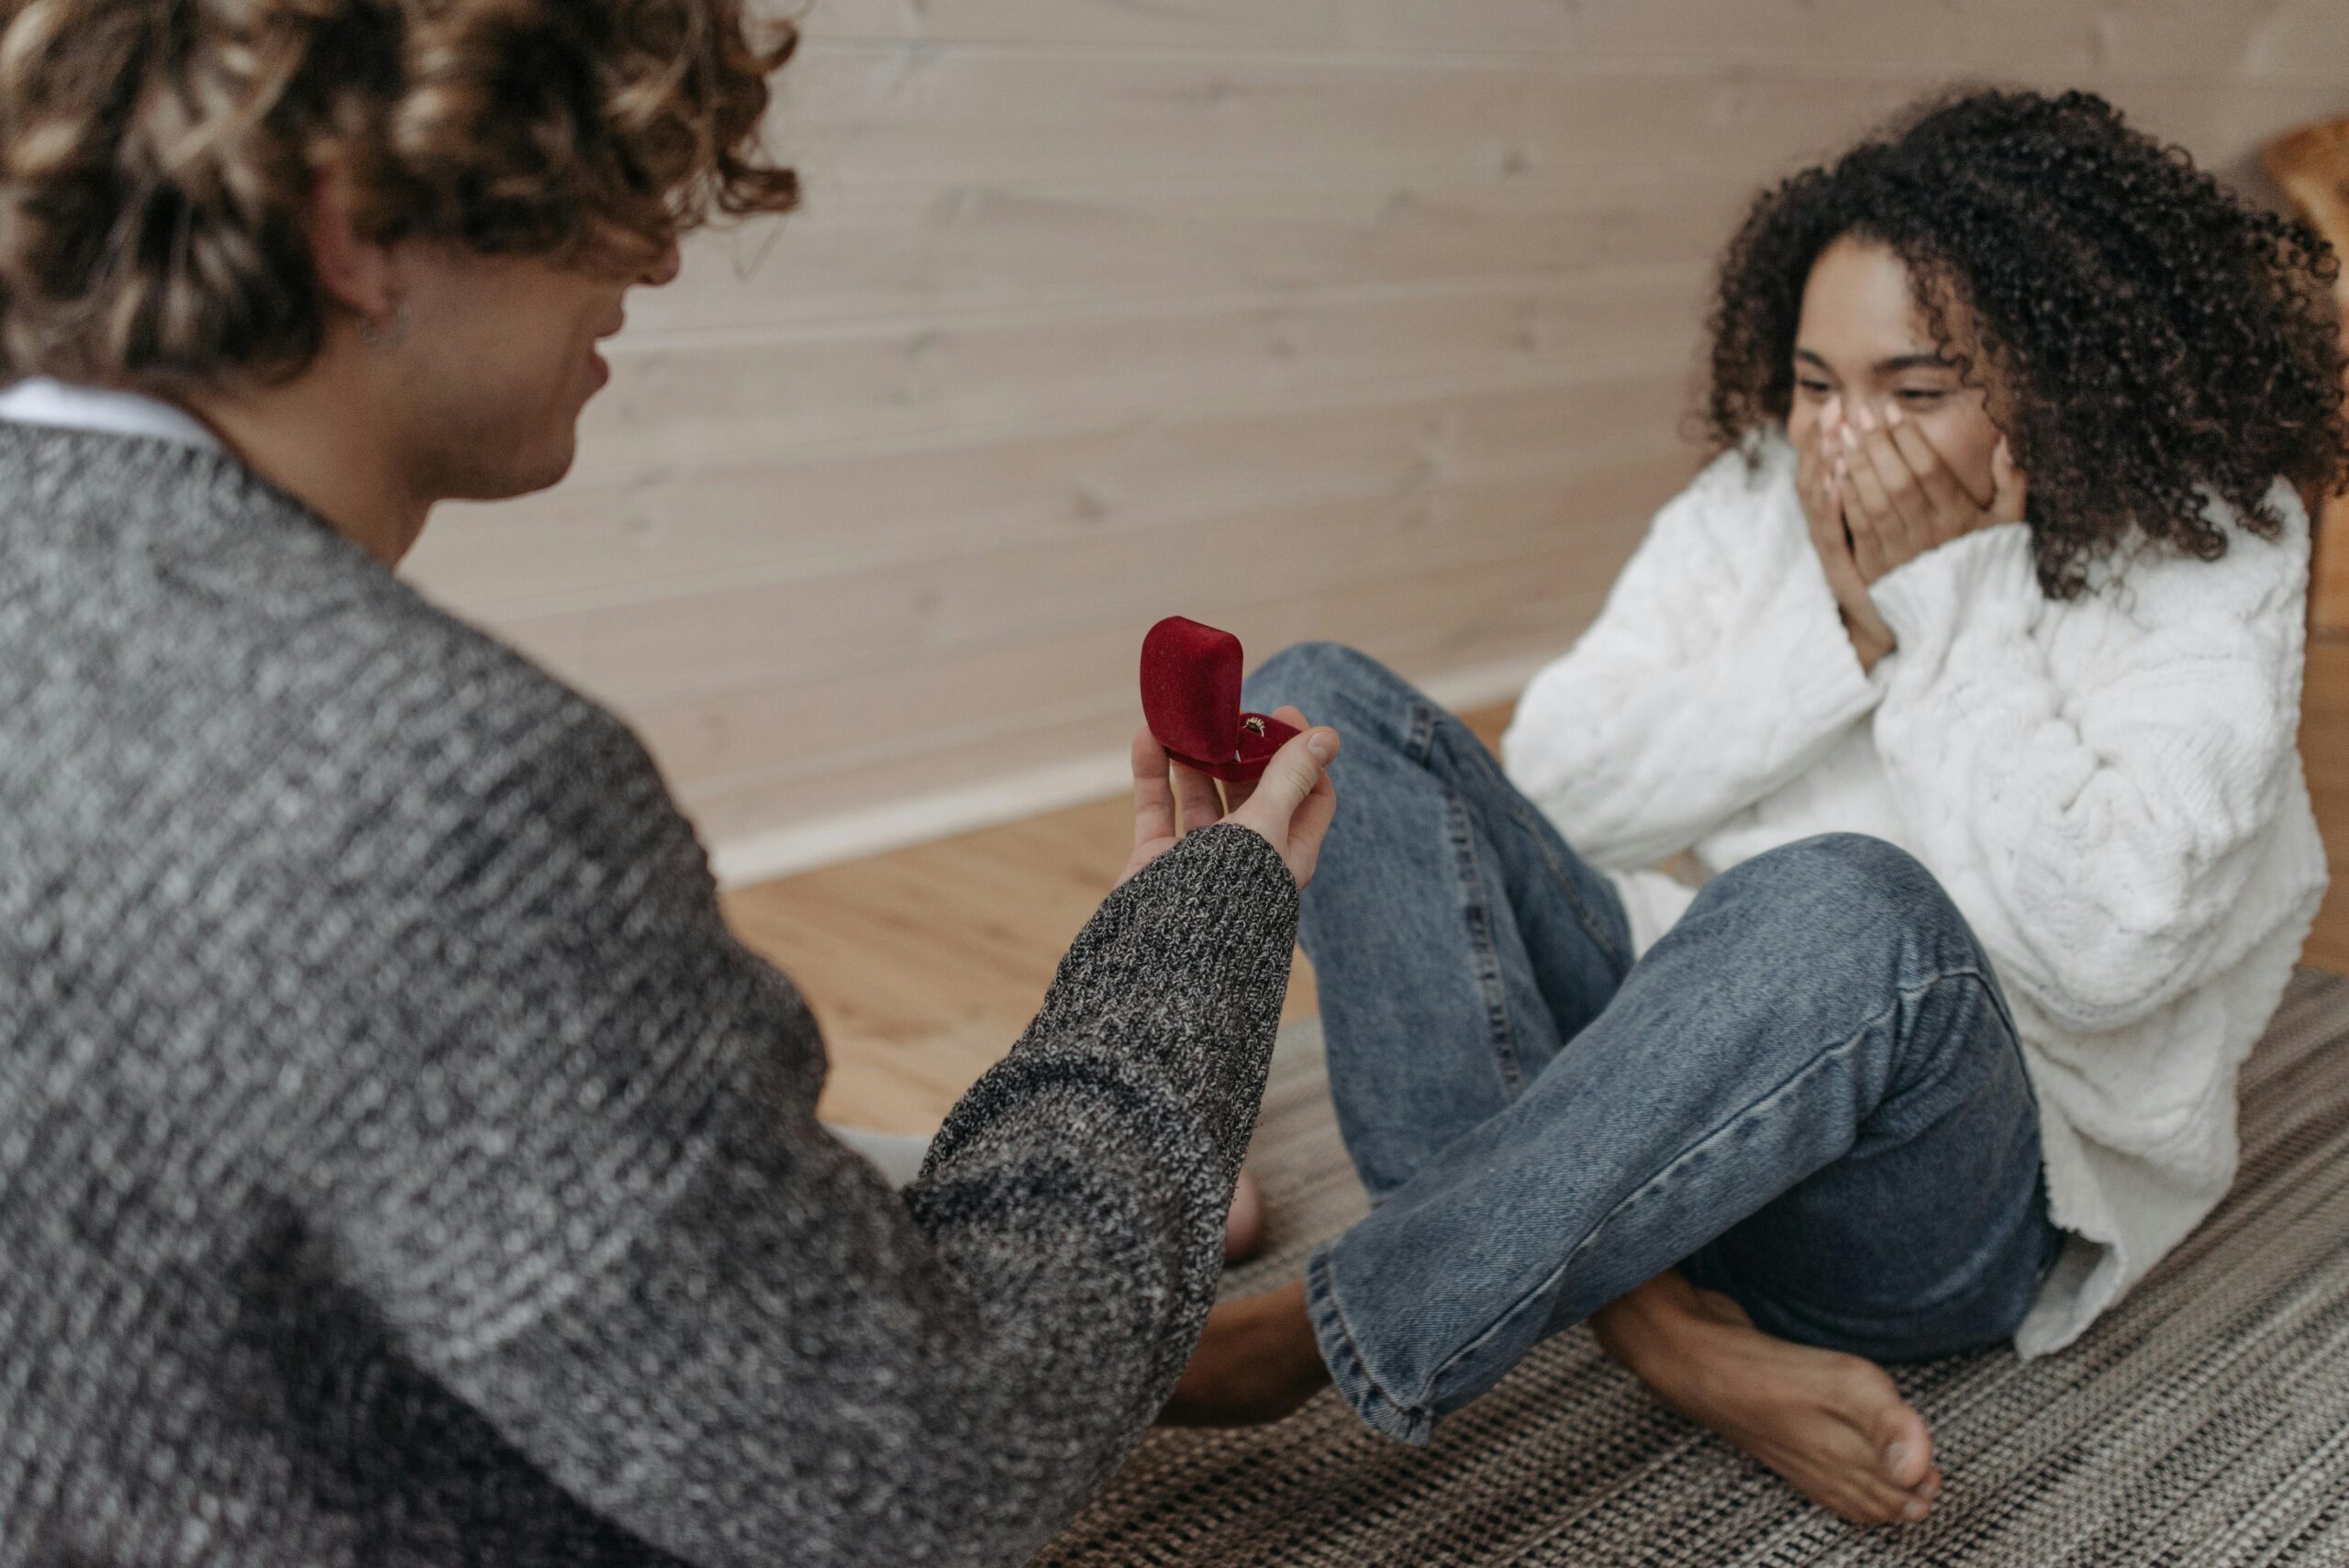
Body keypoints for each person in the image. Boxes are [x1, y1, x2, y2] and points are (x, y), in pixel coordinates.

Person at [0, 3, 1337, 1564]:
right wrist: (1197, 935)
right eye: (604, 199)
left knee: (974, 1183)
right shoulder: (437, 783)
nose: (653, 262)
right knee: (1044, 1241)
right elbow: (915, 1478)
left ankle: (1106, 1231)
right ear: (358, 231)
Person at [1164, 87, 2349, 1529]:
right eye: (1814, 382)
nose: (1848, 443)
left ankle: (1319, 1330)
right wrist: (1843, 645)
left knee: (1846, 900)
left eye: (1916, 393)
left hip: (1950, 1178)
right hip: (1683, 1067)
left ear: (2062, 377)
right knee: (1317, 712)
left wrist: (1940, 611)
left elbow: (2105, 952)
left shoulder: (2210, 543)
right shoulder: (1756, 490)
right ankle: (1665, 1335)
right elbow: (1564, 781)